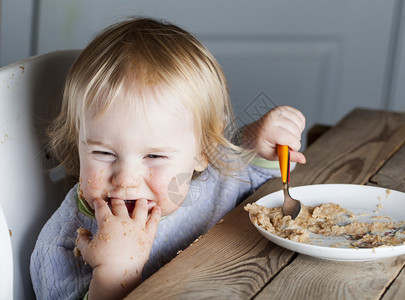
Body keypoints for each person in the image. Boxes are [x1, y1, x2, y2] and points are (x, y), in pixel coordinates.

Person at [30, 17, 306, 300]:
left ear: (204, 151)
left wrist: (258, 146)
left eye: (154, 155)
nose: (125, 180)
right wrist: (114, 276)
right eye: (103, 153)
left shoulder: (209, 183)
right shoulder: (63, 246)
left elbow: (251, 181)